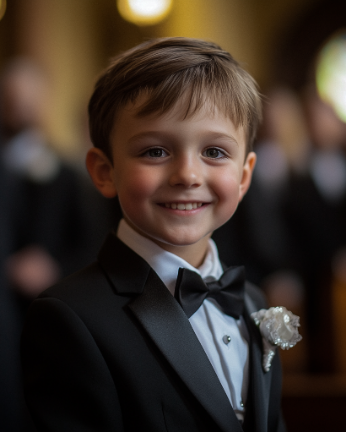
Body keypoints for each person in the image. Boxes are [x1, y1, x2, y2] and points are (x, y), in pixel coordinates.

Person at [21, 38, 286, 432]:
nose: (188, 175)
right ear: (104, 171)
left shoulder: (252, 302)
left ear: (245, 176)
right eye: (155, 152)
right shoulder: (70, 318)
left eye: (214, 152)